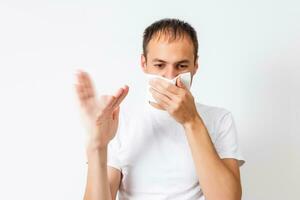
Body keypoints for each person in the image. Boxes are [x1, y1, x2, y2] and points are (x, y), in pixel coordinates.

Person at [75, 18, 245, 200]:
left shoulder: (219, 119)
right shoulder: (119, 120)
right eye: (159, 65)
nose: (170, 76)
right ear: (144, 63)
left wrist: (191, 121)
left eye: (181, 66)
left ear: (195, 65)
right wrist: (97, 146)